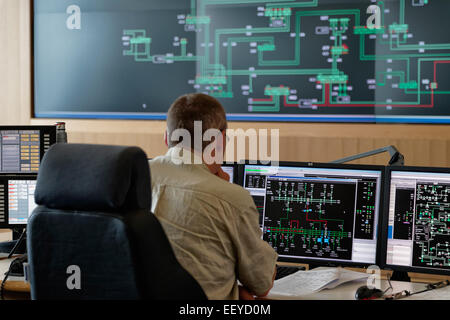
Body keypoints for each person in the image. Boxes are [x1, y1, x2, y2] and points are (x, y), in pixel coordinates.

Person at [149, 93, 278, 300]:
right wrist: (225, 195)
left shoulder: (133, 177)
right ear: (220, 141)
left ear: (166, 137)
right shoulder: (232, 199)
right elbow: (262, 285)